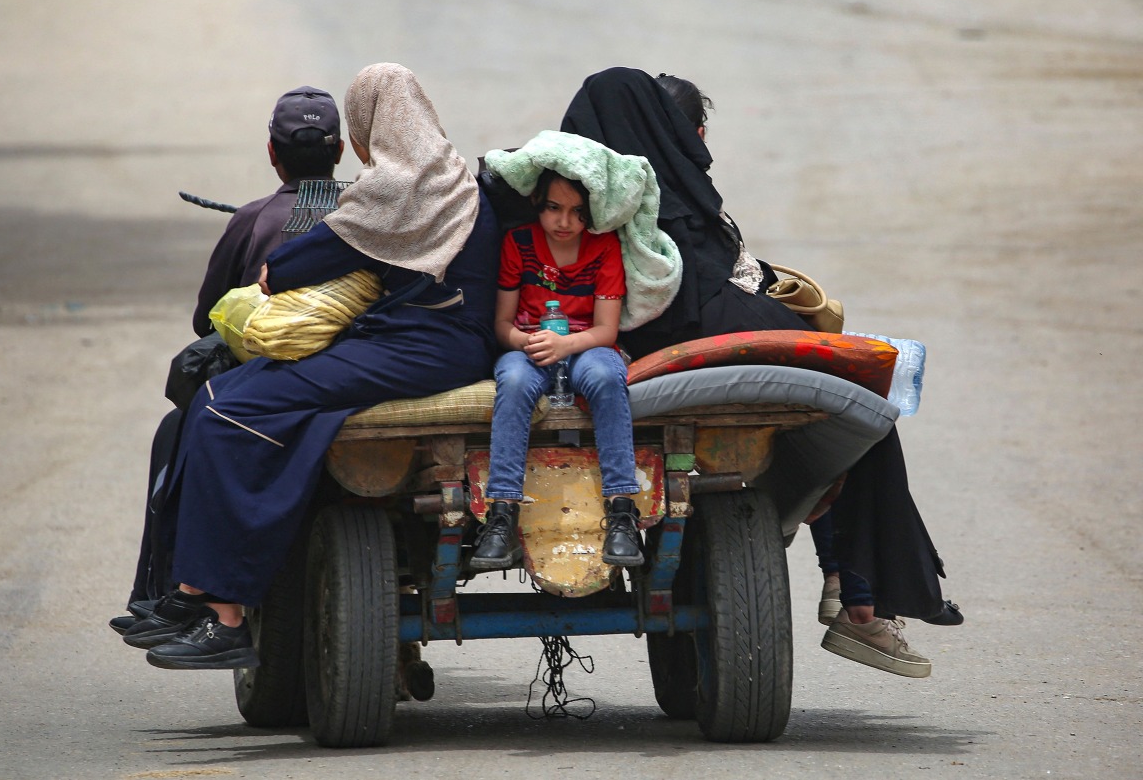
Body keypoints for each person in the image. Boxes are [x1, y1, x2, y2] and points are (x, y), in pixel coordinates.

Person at [562, 68, 958, 679]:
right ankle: (855, 598)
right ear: (680, 135)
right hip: (679, 370)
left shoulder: (559, 198)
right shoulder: (675, 211)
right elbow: (706, 297)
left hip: (590, 371)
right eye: (693, 131)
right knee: (860, 406)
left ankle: (850, 592)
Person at [120, 63, 502, 670]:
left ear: (370, 126)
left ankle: (224, 615)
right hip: (428, 345)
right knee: (235, 394)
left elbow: (291, 267)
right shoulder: (455, 178)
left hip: (416, 350)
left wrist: (286, 272)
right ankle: (193, 593)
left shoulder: (392, 188)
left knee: (224, 407)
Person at [109, 86, 347, 634]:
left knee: (181, 425)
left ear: (271, 152)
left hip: (268, 390)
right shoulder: (370, 213)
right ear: (340, 153)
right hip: (355, 373)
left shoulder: (254, 219)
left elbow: (206, 321)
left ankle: (168, 591)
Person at [471, 169, 643, 570]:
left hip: (587, 346)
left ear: (591, 213)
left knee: (605, 376)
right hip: (529, 347)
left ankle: (622, 512)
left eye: (577, 211)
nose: (564, 222)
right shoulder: (519, 244)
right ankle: (502, 515)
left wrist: (565, 344)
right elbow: (502, 325)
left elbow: (606, 329)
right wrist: (525, 343)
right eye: (553, 208)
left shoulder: (603, 247)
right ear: (537, 205)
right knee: (512, 380)